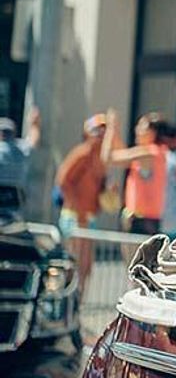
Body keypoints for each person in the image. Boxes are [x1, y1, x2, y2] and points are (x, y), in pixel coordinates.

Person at [56, 113, 108, 294]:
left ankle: (76, 308)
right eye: (97, 130)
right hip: (75, 217)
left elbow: (98, 192)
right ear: (87, 132)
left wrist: (109, 195)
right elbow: (63, 181)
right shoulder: (83, 152)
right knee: (74, 266)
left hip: (87, 218)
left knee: (85, 267)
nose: (101, 133)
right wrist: (79, 213)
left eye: (104, 130)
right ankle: (66, 308)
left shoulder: (100, 158)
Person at [102, 110, 168, 235]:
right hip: (144, 220)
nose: (136, 130)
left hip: (142, 221)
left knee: (135, 254)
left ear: (152, 133)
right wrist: (115, 131)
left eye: (141, 127)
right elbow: (122, 153)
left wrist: (110, 128)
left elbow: (108, 158)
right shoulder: (155, 152)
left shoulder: (148, 153)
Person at [0, 108, 40, 210]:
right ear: (13, 133)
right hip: (15, 195)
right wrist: (34, 123)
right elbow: (33, 140)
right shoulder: (21, 149)